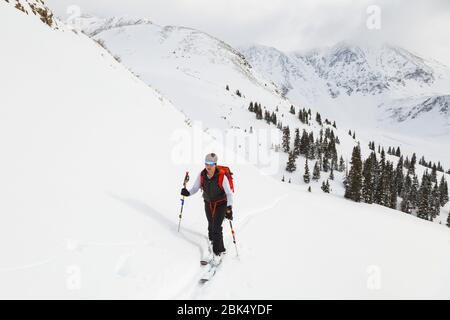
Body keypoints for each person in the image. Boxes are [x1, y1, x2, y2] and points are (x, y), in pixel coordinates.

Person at [181, 153, 233, 265]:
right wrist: (188, 193)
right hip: (208, 203)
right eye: (206, 163)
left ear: (215, 164)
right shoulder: (202, 175)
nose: (208, 166)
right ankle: (219, 246)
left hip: (221, 204)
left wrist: (229, 208)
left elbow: (229, 194)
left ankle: (217, 253)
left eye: (210, 164)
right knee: (211, 224)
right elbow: (195, 188)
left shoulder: (222, 177)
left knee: (216, 227)